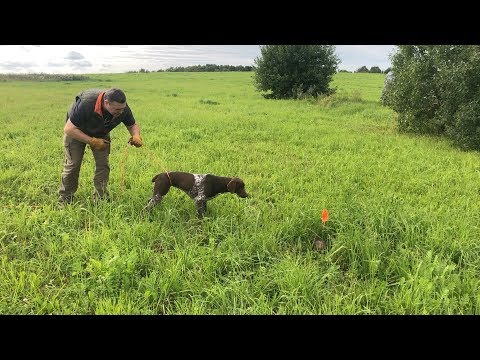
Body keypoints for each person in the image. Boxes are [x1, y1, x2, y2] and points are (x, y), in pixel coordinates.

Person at [58, 88, 142, 205]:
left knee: (103, 165)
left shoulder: (122, 108)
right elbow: (69, 129)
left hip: (101, 133)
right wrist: (92, 141)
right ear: (106, 102)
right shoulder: (87, 104)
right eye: (117, 109)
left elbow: (132, 124)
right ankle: (65, 199)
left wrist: (136, 136)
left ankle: (100, 198)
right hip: (77, 131)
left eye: (122, 109)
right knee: (73, 165)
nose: (121, 112)